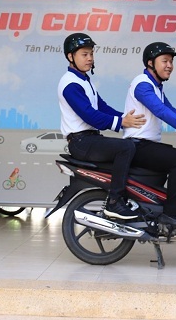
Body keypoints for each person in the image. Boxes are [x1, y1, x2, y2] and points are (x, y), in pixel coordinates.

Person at [58, 33, 146, 220]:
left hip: (90, 139)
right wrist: (121, 122)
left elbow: (102, 107)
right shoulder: (70, 84)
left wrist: (125, 118)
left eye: (91, 54)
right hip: (81, 142)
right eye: (84, 54)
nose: (90, 58)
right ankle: (115, 202)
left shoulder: (84, 80)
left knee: (133, 147)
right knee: (126, 147)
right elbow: (90, 115)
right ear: (70, 56)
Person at [123, 42, 176, 229]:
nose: (169, 65)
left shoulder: (155, 86)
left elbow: (170, 109)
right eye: (165, 61)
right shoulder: (142, 84)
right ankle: (172, 213)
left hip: (146, 145)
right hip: (137, 146)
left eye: (171, 62)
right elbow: (160, 110)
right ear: (150, 63)